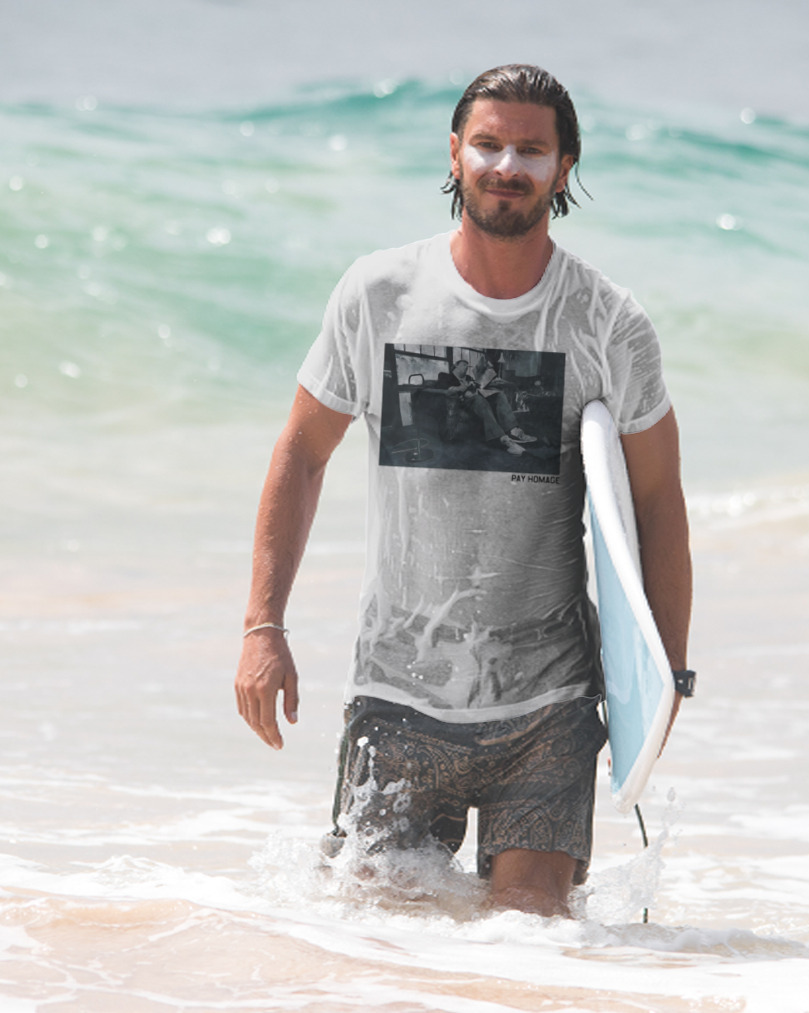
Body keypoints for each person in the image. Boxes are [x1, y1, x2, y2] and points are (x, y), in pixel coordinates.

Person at [235, 64, 692, 918]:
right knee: (379, 948)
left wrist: (669, 678)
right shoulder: (379, 295)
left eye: (531, 148)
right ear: (455, 153)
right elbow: (299, 454)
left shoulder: (607, 322)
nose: (506, 164)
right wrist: (264, 626)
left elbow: (658, 503)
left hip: (549, 705)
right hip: (399, 700)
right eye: (488, 143)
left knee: (528, 948)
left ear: (564, 165)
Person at [440, 357, 536, 454]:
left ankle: (514, 430)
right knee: (479, 400)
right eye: (464, 365)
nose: (466, 367)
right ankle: (503, 439)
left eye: (467, 366)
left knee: (499, 395)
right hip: (463, 402)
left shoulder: (469, 377)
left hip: (476, 396)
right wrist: (464, 387)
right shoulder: (446, 376)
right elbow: (448, 390)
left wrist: (481, 384)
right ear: (456, 365)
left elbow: (478, 387)